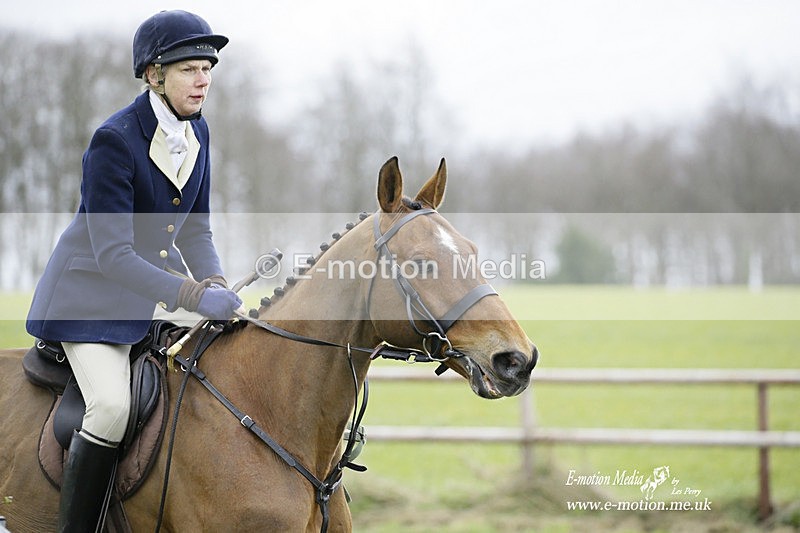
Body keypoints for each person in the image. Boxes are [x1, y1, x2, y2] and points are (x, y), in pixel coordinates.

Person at [25, 10, 242, 532]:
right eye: (189, 68)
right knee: (111, 410)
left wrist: (215, 284)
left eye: (207, 67)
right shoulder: (114, 141)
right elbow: (113, 256)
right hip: (86, 305)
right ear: (154, 75)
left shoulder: (198, 134)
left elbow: (195, 231)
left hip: (142, 300)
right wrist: (192, 295)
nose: (203, 79)